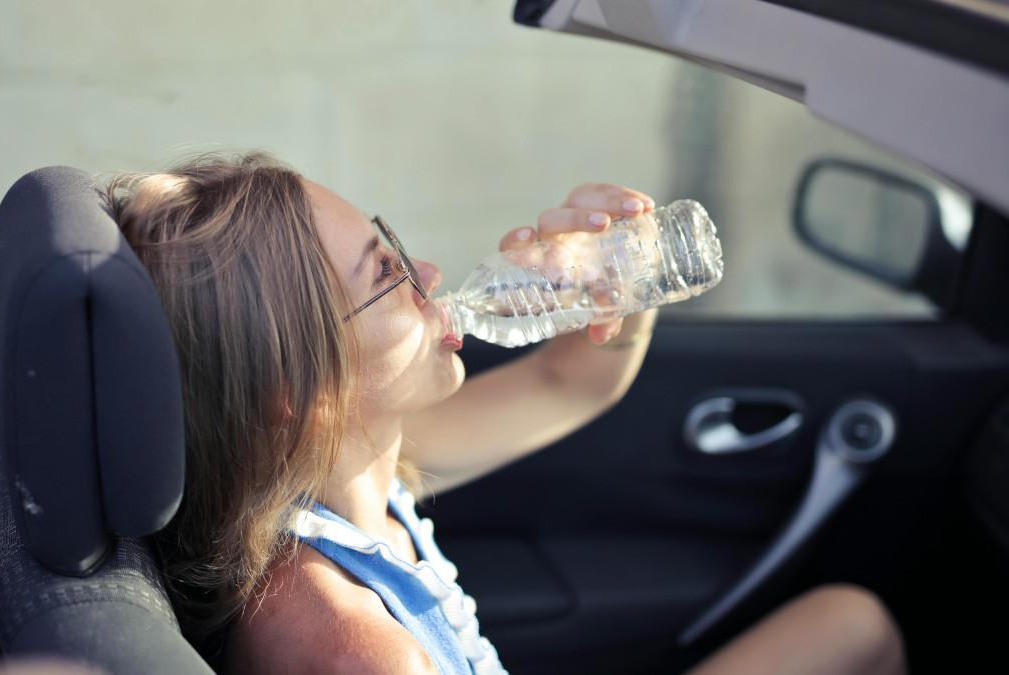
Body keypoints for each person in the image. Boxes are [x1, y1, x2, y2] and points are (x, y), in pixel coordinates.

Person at [102, 152, 906, 674]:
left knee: (853, 621)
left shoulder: (341, 473)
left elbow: (571, 385)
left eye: (394, 243)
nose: (430, 272)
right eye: (387, 274)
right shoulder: (353, 647)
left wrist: (622, 286)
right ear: (301, 388)